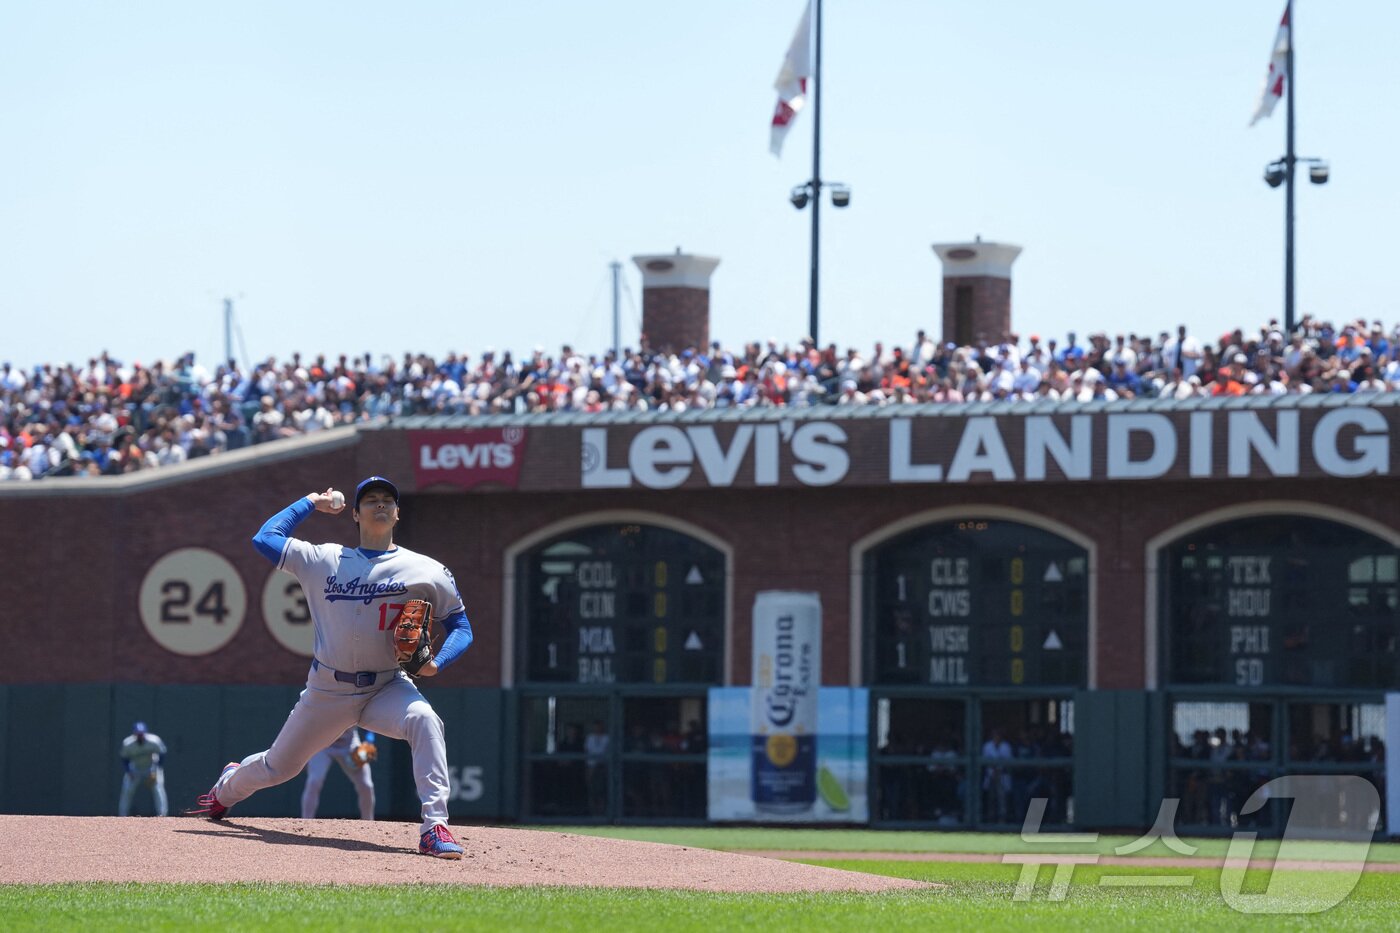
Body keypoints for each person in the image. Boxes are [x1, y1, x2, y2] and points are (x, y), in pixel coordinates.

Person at [188, 475, 475, 859]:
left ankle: (434, 827)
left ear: (397, 513)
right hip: (328, 689)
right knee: (278, 768)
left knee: (425, 720)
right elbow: (265, 538)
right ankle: (226, 788)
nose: (380, 504)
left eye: (387, 500)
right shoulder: (324, 559)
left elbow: (461, 627)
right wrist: (310, 502)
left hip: (386, 686)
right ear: (355, 513)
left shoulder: (426, 570)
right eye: (370, 499)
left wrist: (437, 664)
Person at [301, 726, 377, 821]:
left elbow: (368, 726)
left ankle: (368, 824)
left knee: (366, 785)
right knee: (314, 781)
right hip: (322, 743)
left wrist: (369, 741)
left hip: (349, 743)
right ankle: (306, 822)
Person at [119, 721, 168, 816]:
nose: (140, 736)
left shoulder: (154, 741)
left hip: (151, 768)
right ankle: (122, 816)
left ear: (145, 733)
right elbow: (124, 758)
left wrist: (157, 769)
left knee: (158, 790)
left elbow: (162, 753)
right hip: (135, 768)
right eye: (138, 734)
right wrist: (129, 771)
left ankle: (163, 816)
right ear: (134, 734)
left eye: (141, 734)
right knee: (127, 791)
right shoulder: (128, 743)